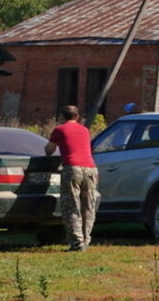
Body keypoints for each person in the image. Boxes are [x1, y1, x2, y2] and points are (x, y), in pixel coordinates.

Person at [45, 105, 98, 251]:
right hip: (91, 169)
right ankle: (86, 239)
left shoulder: (60, 130)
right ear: (77, 117)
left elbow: (49, 150)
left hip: (72, 168)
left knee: (71, 205)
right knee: (88, 206)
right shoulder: (85, 130)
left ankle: (77, 242)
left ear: (62, 117)